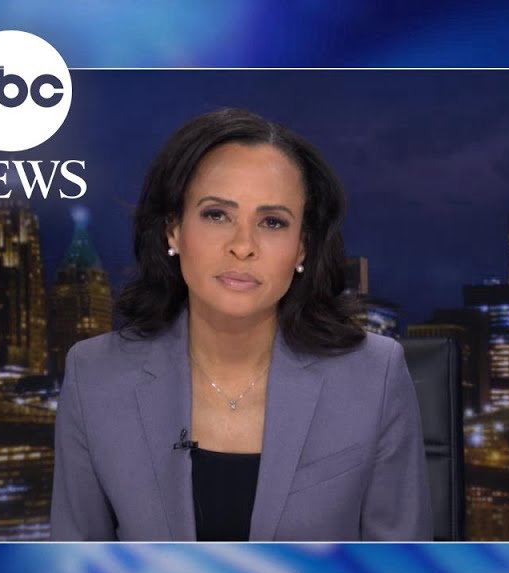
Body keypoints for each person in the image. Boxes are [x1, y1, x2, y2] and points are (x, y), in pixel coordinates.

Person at [51, 108, 432, 541]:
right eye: (217, 214)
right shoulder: (94, 376)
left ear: (302, 247)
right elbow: (72, 565)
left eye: (272, 222)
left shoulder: (375, 376)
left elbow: (402, 567)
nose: (243, 246)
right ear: (173, 229)